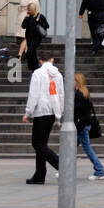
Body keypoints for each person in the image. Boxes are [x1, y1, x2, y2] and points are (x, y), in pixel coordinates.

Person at [23, 46, 62, 184]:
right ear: (52, 60)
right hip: (52, 110)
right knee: (42, 143)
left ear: (40, 60)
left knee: (37, 143)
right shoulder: (58, 75)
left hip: (41, 111)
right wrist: (59, 111)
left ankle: (60, 165)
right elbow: (61, 94)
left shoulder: (38, 74)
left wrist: (28, 112)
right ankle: (40, 174)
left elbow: (34, 94)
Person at [74, 73, 104, 180]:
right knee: (71, 148)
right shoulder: (85, 92)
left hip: (81, 126)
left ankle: (100, 170)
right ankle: (64, 169)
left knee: (86, 149)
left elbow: (78, 111)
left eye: (73, 81)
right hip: (85, 124)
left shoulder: (79, 94)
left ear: (77, 82)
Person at [20, 1, 48, 72]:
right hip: (29, 38)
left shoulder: (40, 16)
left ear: (33, 10)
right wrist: (26, 18)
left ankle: (35, 67)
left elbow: (46, 25)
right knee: (32, 52)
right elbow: (23, 26)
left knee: (30, 51)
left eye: (30, 10)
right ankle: (33, 68)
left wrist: (38, 22)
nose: (28, 11)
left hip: (37, 38)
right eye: (28, 10)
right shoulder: (28, 17)